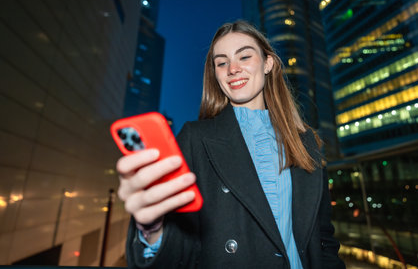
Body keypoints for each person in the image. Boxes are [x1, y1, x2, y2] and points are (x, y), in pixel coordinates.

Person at [116, 20, 346, 268]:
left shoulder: (306, 142)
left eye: (244, 56)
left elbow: (324, 240)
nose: (232, 69)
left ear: (268, 63)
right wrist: (152, 229)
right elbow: (182, 246)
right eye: (222, 62)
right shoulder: (195, 138)